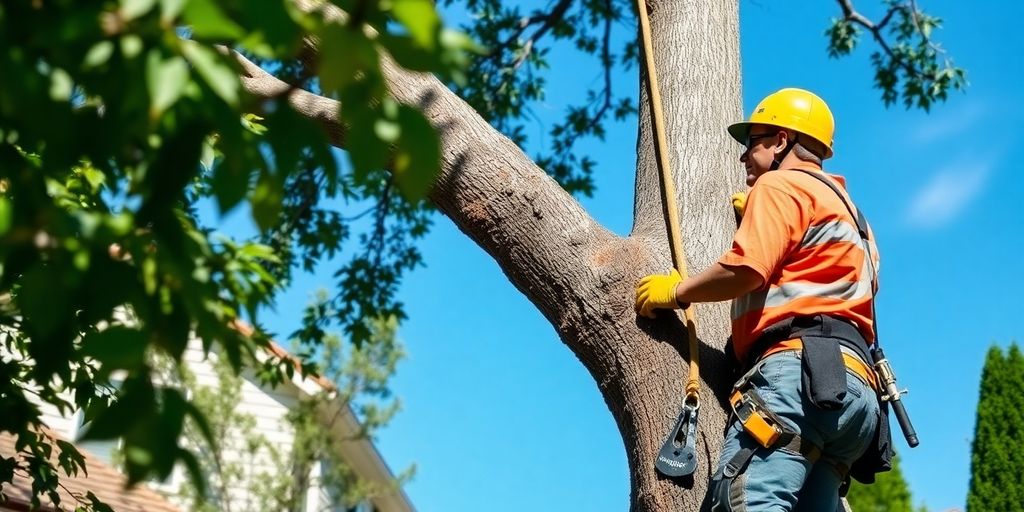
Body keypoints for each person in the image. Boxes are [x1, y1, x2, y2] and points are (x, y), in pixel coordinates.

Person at [634, 88, 884, 511]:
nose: (743, 156)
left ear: (782, 141)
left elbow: (746, 269)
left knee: (745, 503)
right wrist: (756, 218)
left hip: (799, 382)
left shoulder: (780, 185)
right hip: (856, 398)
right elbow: (817, 279)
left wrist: (676, 292)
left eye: (753, 141)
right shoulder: (854, 217)